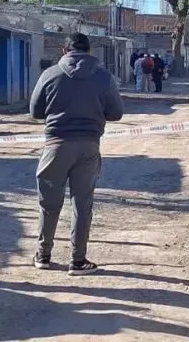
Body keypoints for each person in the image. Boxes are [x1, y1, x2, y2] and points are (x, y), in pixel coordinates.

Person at [30, 33, 124, 275]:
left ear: (64, 51)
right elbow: (116, 113)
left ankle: (43, 255)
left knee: (49, 203)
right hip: (89, 146)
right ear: (89, 51)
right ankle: (78, 261)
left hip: (55, 145)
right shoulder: (104, 77)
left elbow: (36, 111)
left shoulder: (50, 74)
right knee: (82, 204)